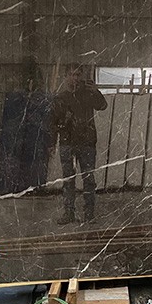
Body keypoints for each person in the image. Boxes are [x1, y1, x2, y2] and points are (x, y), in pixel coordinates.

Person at [52, 64, 108, 224]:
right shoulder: (61, 97)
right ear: (66, 77)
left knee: (89, 180)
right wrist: (53, 141)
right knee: (68, 180)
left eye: (78, 75)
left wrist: (96, 91)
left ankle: (89, 214)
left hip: (87, 143)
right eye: (72, 74)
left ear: (81, 76)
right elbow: (53, 122)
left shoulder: (89, 94)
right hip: (67, 143)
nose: (75, 78)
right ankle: (69, 213)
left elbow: (103, 106)